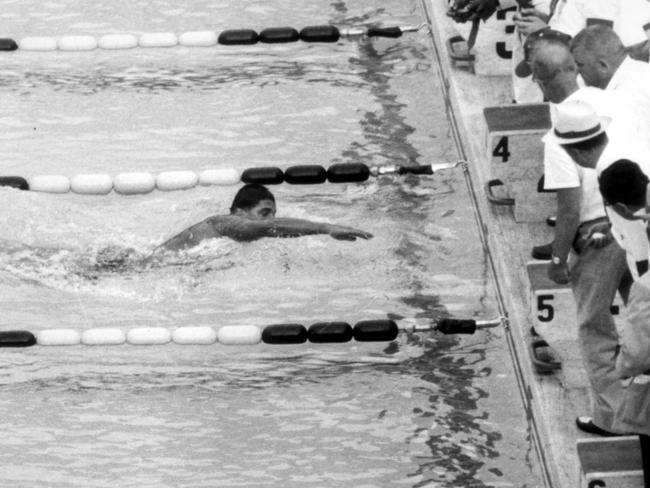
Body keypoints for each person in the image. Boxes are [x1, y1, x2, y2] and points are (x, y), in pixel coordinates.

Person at [528, 38, 632, 436]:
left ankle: (613, 418)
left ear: (542, 80)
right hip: (630, 224)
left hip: (594, 239)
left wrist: (556, 261)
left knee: (595, 330)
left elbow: (568, 208)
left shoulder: (560, 136)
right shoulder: (610, 101)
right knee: (643, 318)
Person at [156, 183, 373, 252]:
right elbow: (272, 227)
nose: (269, 219)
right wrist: (327, 228)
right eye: (264, 213)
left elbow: (279, 229)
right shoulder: (222, 222)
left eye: (273, 214)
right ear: (238, 212)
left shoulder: (229, 237)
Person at [571, 26, 650, 140]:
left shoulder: (627, 96)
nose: (576, 72)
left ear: (603, 66)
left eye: (579, 64)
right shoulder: (641, 71)